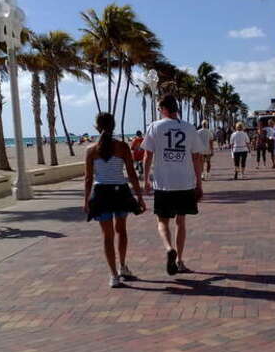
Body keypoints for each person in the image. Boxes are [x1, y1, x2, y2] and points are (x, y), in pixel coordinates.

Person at [142, 94, 206, 275]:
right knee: (181, 222)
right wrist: (199, 183)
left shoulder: (154, 126)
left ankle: (169, 248)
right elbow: (197, 157)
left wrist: (146, 179)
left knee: (162, 222)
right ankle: (179, 260)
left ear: (163, 109)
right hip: (185, 183)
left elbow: (147, 156)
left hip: (164, 183)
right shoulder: (189, 128)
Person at [84, 113, 145, 288]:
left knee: (107, 236)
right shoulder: (123, 147)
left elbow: (88, 178)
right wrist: (139, 197)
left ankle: (113, 275)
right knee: (122, 230)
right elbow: (132, 174)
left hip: (101, 194)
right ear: (113, 126)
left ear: (96, 127)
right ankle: (123, 266)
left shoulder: (91, 150)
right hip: (120, 193)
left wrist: (86, 199)